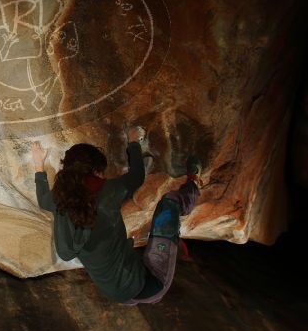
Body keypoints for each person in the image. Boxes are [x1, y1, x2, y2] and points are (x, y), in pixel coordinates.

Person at [32, 127, 202, 304]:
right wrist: (134, 142)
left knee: (135, 252)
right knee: (169, 205)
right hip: (151, 283)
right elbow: (136, 176)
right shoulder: (108, 192)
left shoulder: (58, 198)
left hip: (118, 294)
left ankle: (168, 243)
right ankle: (194, 184)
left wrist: (38, 164)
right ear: (95, 171)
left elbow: (42, 199)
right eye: (101, 172)